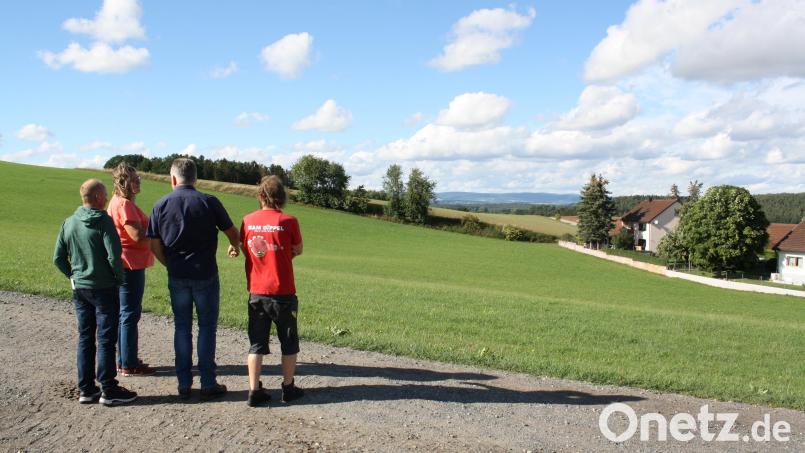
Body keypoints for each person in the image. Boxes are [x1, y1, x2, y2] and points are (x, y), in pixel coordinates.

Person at [146, 158, 240, 399]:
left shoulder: (160, 205)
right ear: (195, 179)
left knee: (182, 327)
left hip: (177, 274)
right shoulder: (209, 202)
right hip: (206, 273)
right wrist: (234, 246)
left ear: (173, 179)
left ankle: (184, 382)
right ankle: (208, 382)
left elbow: (154, 244)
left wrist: (169, 263)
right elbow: (231, 231)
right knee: (207, 328)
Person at [53, 179, 138, 406]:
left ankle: (86, 388)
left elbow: (58, 258)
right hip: (104, 288)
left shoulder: (69, 222)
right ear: (99, 197)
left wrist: (72, 275)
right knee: (106, 339)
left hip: (80, 288)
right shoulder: (103, 222)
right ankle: (109, 389)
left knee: (85, 337)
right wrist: (118, 279)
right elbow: (114, 256)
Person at [239, 175, 305, 407]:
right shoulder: (289, 221)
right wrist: (282, 256)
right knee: (288, 342)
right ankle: (288, 388)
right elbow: (298, 248)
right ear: (282, 197)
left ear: (260, 196)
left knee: (256, 343)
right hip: (283, 291)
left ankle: (254, 391)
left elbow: (244, 248)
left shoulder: (247, 221)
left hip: (257, 291)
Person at [107, 162, 156, 376]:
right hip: (130, 264)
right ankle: (128, 363)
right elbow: (136, 235)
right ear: (124, 182)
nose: (139, 182)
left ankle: (124, 359)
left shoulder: (117, 202)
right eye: (135, 179)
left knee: (124, 313)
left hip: (124, 262)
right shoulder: (124, 205)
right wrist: (158, 230)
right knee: (129, 313)